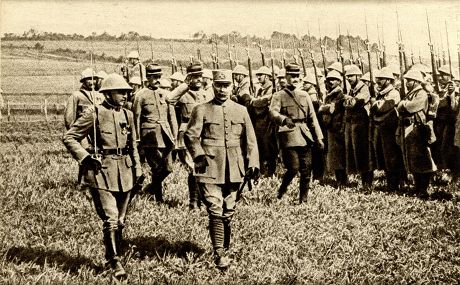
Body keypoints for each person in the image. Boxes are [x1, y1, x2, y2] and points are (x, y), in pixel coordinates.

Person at [63, 73, 142, 279]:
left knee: (121, 219)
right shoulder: (94, 113)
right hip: (101, 171)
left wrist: (138, 168)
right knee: (111, 218)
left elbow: (133, 144)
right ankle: (114, 261)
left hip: (125, 171)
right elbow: (70, 137)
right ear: (107, 93)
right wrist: (85, 157)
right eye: (120, 92)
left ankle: (117, 253)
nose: (125, 95)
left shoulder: (128, 114)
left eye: (127, 92)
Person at [184, 69, 259, 269]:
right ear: (213, 86)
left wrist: (253, 163)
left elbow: (250, 141)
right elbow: (190, 136)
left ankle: (224, 248)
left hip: (235, 168)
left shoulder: (241, 110)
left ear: (232, 86)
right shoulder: (201, 109)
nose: (223, 89)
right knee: (215, 208)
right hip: (209, 166)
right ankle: (218, 253)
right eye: (219, 85)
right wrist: (198, 156)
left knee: (229, 211)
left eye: (226, 85)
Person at [270, 64, 324, 203]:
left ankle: (303, 200)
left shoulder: (305, 95)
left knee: (306, 169)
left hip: (305, 135)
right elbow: (273, 112)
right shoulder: (279, 95)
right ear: (286, 77)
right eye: (292, 76)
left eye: (297, 76)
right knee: (293, 168)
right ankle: (282, 189)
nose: (295, 79)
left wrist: (319, 137)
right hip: (288, 135)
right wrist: (283, 119)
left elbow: (312, 117)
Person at [166, 62, 212, 209]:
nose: (198, 79)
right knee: (194, 167)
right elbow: (169, 99)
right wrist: (184, 85)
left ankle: (202, 200)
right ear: (189, 78)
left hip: (204, 133)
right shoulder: (183, 93)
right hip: (187, 133)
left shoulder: (207, 93)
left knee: (204, 167)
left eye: (200, 76)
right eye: (194, 77)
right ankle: (193, 202)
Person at [133, 63, 178, 202]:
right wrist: (137, 138)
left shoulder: (166, 94)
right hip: (149, 137)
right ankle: (158, 197)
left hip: (166, 135)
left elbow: (172, 117)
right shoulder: (140, 95)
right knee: (156, 167)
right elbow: (136, 118)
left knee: (168, 168)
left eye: (159, 77)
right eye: (154, 77)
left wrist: (175, 136)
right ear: (148, 78)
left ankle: (150, 188)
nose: (157, 80)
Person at [396, 69, 437, 199]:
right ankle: (417, 187)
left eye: (409, 80)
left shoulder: (421, 94)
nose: (407, 83)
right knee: (413, 160)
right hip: (410, 129)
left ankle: (423, 189)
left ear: (416, 81)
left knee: (423, 160)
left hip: (418, 130)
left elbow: (410, 107)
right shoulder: (411, 94)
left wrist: (402, 104)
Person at [371, 67, 405, 192]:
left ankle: (394, 185)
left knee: (392, 157)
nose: (378, 81)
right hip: (382, 129)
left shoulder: (394, 93)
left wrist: (374, 103)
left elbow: (381, 108)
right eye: (377, 78)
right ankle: (391, 183)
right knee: (384, 156)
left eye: (381, 79)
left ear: (388, 80)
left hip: (390, 129)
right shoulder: (382, 93)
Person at [344, 65, 373, 190]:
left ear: (358, 76)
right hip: (353, 124)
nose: (349, 78)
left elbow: (354, 103)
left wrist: (347, 99)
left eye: (351, 76)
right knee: (355, 154)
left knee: (362, 154)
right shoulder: (353, 89)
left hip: (361, 125)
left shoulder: (364, 88)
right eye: (347, 76)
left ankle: (367, 183)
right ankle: (363, 181)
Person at [318, 70, 347, 187]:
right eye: (328, 79)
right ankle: (339, 179)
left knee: (338, 156)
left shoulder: (339, 94)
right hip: (331, 127)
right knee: (334, 156)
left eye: (333, 79)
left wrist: (322, 108)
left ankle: (342, 181)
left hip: (337, 127)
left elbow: (332, 109)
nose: (330, 82)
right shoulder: (330, 94)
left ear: (339, 82)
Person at [431, 65, 459, 182]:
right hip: (439, 123)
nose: (441, 77)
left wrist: (452, 94)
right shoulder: (439, 89)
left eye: (444, 75)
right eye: (440, 74)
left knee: (449, 150)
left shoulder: (455, 90)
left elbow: (454, 108)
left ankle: (454, 175)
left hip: (450, 124)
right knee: (438, 149)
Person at [250, 66, 278, 177]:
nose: (258, 77)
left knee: (268, 147)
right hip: (260, 123)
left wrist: (254, 101)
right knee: (260, 146)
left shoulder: (271, 89)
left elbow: (262, 102)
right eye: (257, 75)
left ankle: (270, 172)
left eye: (260, 75)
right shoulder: (261, 89)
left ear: (267, 77)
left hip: (267, 123)